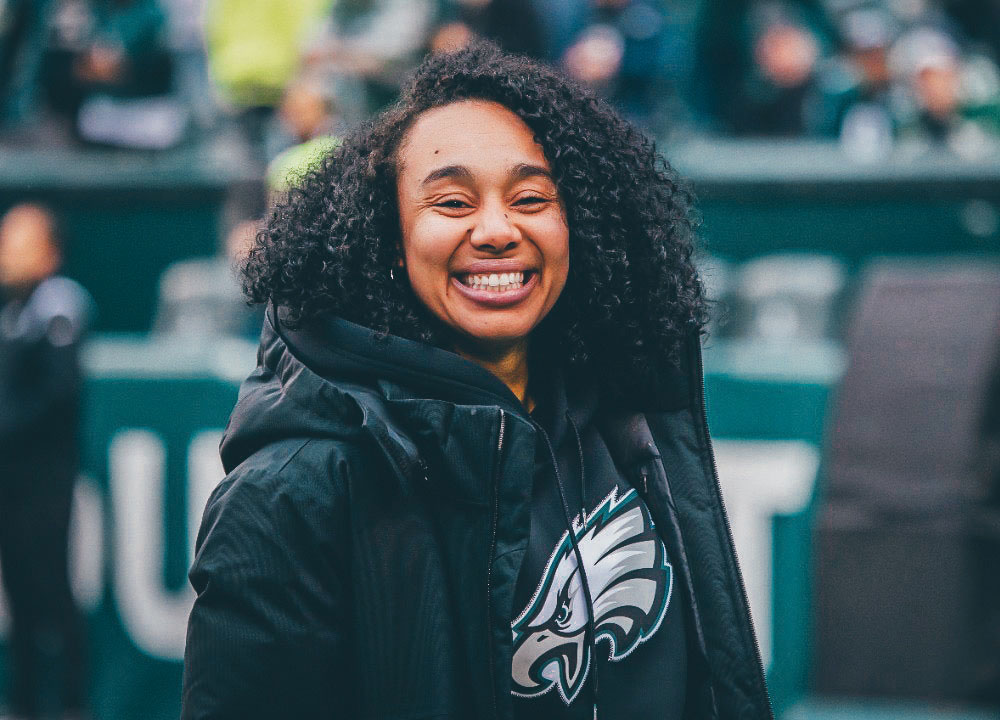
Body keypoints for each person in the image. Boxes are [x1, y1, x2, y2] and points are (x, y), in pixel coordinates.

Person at [181, 42, 771, 719]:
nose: (497, 230)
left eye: (530, 197)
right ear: (387, 239)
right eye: (453, 201)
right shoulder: (288, 493)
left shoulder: (625, 419)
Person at [0, 203, 91, 720]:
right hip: (12, 481)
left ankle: (70, 703)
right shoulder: (14, 314)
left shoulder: (59, 307)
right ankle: (27, 701)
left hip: (46, 482)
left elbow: (57, 396)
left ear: (50, 253)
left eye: (20, 241)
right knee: (19, 596)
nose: (7, 252)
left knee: (50, 589)